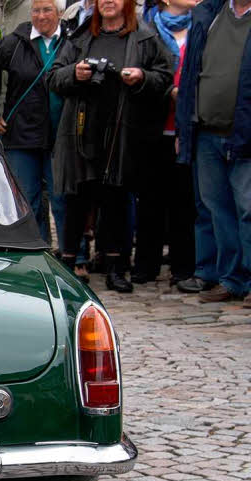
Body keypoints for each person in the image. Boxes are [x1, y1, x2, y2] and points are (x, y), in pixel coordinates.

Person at [47, 0, 173, 292]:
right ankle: (69, 266)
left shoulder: (144, 36)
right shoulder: (79, 36)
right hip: (80, 131)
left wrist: (142, 77)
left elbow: (164, 77)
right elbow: (54, 77)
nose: (108, 1)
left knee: (115, 199)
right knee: (76, 199)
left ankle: (117, 268)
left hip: (122, 132)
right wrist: (74, 74)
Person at [0, 0, 66, 245]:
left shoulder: (70, 42)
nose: (41, 16)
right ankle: (35, 251)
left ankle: (72, 255)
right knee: (26, 201)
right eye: (36, 10)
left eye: (47, 10)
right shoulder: (15, 42)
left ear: (60, 13)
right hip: (22, 135)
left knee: (62, 199)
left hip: (61, 137)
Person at [176, 0, 251, 306]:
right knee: (217, 210)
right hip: (205, 131)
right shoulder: (209, 13)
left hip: (245, 133)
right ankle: (230, 279)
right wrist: (184, 128)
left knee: (248, 209)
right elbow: (190, 72)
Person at [131, 0, 197, 286]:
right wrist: (167, 90)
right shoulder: (146, 29)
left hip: (189, 126)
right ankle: (147, 264)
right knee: (149, 200)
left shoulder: (202, 26)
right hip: (153, 124)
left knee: (184, 202)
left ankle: (184, 266)